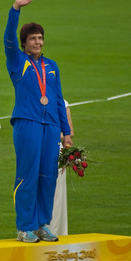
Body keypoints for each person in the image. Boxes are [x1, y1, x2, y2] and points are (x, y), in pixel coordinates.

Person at [3, 0, 73, 243]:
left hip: (51, 126)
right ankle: (24, 227)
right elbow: (8, 38)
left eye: (41, 38)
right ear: (24, 43)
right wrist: (15, 9)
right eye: (33, 38)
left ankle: (42, 224)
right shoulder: (17, 61)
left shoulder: (51, 66)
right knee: (28, 175)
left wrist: (66, 133)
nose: (38, 42)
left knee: (48, 177)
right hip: (28, 124)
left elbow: (57, 100)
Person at [49, 100, 74, 237]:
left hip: (55, 151)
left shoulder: (61, 103)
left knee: (57, 195)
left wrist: (49, 134)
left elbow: (69, 132)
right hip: (38, 149)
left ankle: (57, 232)